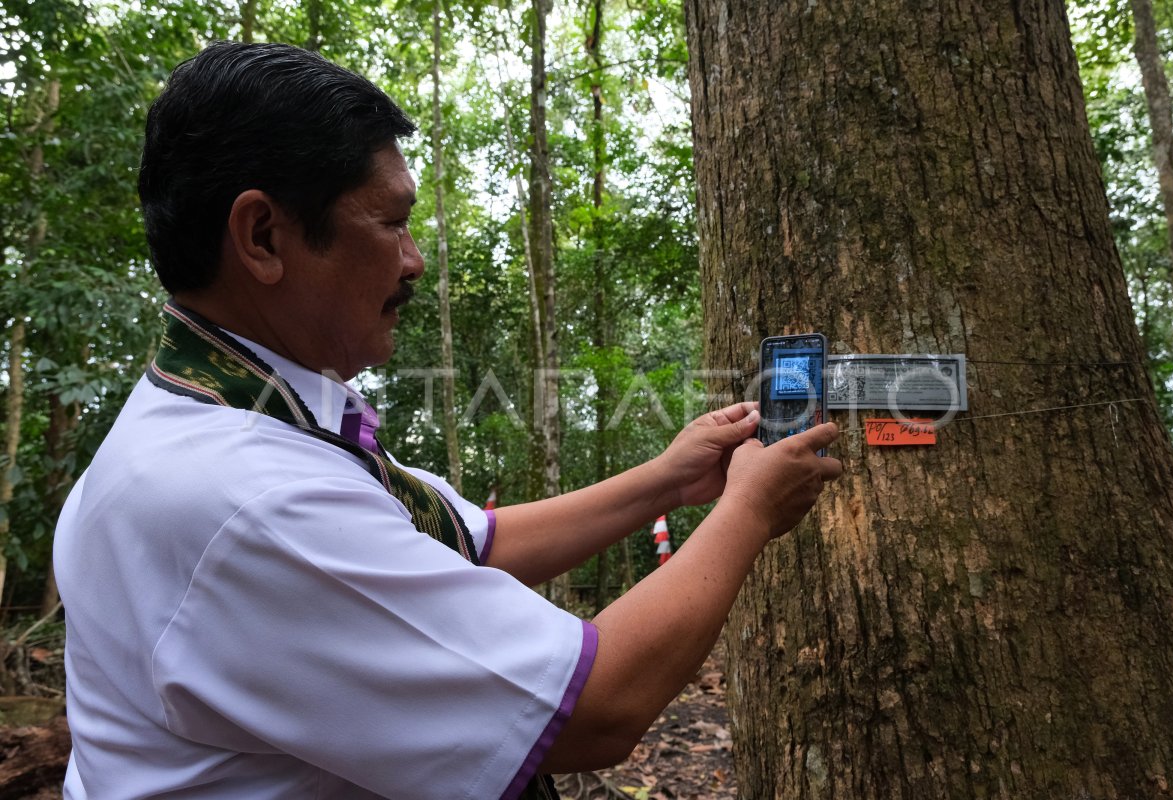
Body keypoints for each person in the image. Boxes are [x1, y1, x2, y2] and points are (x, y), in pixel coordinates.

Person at [53, 41, 842, 799]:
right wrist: (749, 509)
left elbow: (479, 544)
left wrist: (671, 480)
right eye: (390, 223)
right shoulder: (249, 499)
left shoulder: (229, 412)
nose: (414, 259)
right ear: (263, 236)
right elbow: (596, 710)